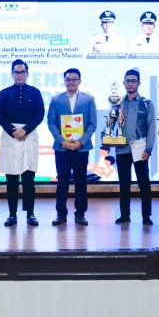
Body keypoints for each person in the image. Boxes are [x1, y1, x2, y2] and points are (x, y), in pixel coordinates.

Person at [0, 59, 45, 226]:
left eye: (22, 72)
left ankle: (30, 214)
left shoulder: (35, 92)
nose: (19, 75)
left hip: (29, 136)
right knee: (11, 179)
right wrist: (13, 131)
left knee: (29, 179)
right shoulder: (4, 93)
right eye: (16, 72)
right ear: (12, 74)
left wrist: (26, 130)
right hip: (10, 137)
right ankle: (12, 215)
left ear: (27, 74)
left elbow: (40, 114)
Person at [46, 68, 98, 226]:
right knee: (62, 181)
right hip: (62, 148)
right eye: (68, 79)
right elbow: (51, 123)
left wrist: (81, 142)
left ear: (79, 81)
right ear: (64, 81)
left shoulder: (89, 99)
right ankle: (61, 214)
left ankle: (80, 214)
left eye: (74, 79)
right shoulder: (56, 100)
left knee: (81, 181)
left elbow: (92, 124)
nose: (71, 82)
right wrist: (63, 141)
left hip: (81, 148)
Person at [115, 68, 156, 225]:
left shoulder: (146, 103)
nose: (130, 83)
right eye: (128, 81)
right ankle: (125, 215)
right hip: (122, 149)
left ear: (139, 83)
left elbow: (151, 127)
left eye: (133, 81)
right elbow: (111, 125)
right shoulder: (117, 103)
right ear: (124, 83)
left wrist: (148, 149)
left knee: (144, 184)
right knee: (124, 184)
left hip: (140, 149)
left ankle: (146, 216)